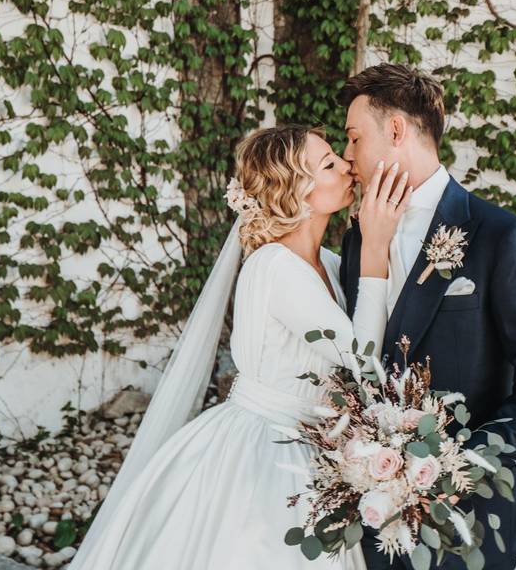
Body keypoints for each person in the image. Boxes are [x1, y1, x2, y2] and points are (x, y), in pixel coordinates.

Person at [67, 124, 410, 570]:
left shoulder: (326, 261)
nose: (347, 166)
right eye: (329, 163)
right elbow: (364, 360)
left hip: (311, 445)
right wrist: (377, 246)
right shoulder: (275, 267)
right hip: (266, 450)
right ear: (293, 188)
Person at [338, 64, 516, 570]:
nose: (347, 156)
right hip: (374, 515)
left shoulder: (502, 236)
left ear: (397, 131)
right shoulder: (359, 235)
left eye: (355, 138)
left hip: (470, 514)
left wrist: (459, 465)